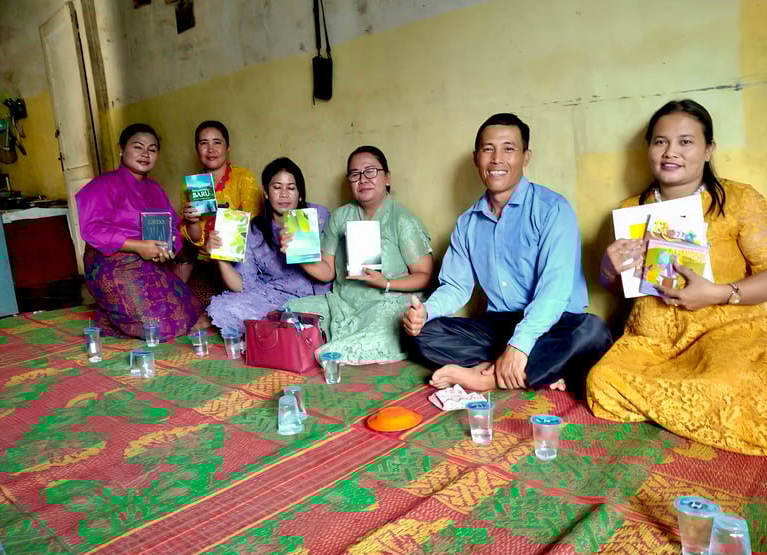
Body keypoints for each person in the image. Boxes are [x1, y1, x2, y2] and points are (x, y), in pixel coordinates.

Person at [587, 99, 767, 455]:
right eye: (660, 141)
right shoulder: (630, 210)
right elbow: (620, 289)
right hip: (653, 344)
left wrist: (719, 293)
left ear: (708, 150)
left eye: (685, 142)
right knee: (601, 381)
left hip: (725, 335)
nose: (671, 152)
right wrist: (608, 269)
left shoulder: (738, 200)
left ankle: (682, 406)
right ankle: (694, 408)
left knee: (733, 383)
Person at [404, 113, 612, 393]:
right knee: (423, 334)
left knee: (593, 332)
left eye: (509, 149)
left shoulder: (553, 209)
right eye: (488, 149)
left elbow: (554, 289)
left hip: (553, 321)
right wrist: (425, 312)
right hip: (499, 326)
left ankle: (486, 377)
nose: (497, 159)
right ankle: (533, 369)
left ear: (526, 157)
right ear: (476, 158)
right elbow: (455, 286)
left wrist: (520, 344)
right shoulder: (467, 223)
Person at [282, 146, 434, 364]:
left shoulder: (402, 220)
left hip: (386, 303)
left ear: (387, 177)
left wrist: (386, 283)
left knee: (382, 331)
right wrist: (297, 252)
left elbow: (425, 276)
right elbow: (327, 271)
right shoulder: (340, 216)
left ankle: (327, 348)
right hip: (343, 304)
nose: (363, 180)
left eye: (370, 171)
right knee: (290, 312)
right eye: (355, 174)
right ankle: (323, 344)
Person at [76, 123, 205, 340]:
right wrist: (138, 246)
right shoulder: (103, 184)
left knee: (193, 315)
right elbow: (93, 230)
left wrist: (166, 249)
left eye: (152, 149)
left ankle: (111, 313)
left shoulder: (155, 189)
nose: (145, 154)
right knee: (159, 328)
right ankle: (111, 314)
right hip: (112, 262)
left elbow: (172, 228)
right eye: (138, 147)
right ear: (121, 149)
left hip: (150, 262)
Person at [206, 157, 331, 333]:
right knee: (225, 308)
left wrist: (298, 249)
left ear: (300, 194)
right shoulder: (254, 230)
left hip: (312, 296)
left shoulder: (318, 216)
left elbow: (328, 273)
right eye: (277, 187)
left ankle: (280, 328)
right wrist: (221, 257)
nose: (284, 194)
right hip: (271, 299)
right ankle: (279, 327)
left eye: (291, 188)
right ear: (266, 192)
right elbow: (242, 286)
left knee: (313, 318)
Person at [179, 121, 262, 305]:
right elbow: (195, 239)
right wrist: (192, 222)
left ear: (228, 147)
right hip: (206, 264)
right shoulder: (193, 184)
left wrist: (223, 245)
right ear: (197, 149)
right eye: (204, 143)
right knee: (189, 309)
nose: (211, 149)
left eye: (217, 142)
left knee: (237, 308)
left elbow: (254, 226)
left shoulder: (243, 178)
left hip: (240, 264)